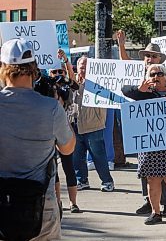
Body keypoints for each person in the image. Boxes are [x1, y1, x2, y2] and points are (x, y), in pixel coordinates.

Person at [0, 38, 75, 240]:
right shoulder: (49, 107)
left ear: (4, 68)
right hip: (40, 204)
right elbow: (68, 148)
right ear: (34, 69)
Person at [117, 30, 166, 216]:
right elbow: (125, 62)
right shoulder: (139, 71)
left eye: (153, 56)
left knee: (165, 168)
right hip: (143, 125)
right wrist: (121, 45)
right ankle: (149, 202)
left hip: (163, 127)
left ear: (160, 59)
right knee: (145, 167)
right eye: (147, 55)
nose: (149, 58)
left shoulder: (163, 75)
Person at [122, 64, 166, 225]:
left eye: (159, 74)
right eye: (152, 74)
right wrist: (140, 89)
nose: (156, 77)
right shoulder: (144, 94)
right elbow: (125, 90)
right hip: (149, 144)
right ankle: (156, 212)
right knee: (152, 179)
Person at [72, 56, 115, 191]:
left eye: (86, 65)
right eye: (81, 66)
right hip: (76, 125)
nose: (83, 68)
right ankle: (82, 180)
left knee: (99, 156)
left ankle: (107, 181)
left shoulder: (98, 82)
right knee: (77, 157)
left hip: (94, 125)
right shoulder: (73, 81)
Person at [47, 49, 82, 214]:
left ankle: (73, 202)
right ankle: (58, 201)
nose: (58, 74)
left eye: (60, 71)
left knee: (69, 167)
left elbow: (73, 80)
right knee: (52, 167)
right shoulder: (45, 88)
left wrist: (66, 61)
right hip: (48, 132)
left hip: (66, 129)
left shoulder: (68, 87)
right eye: (54, 72)